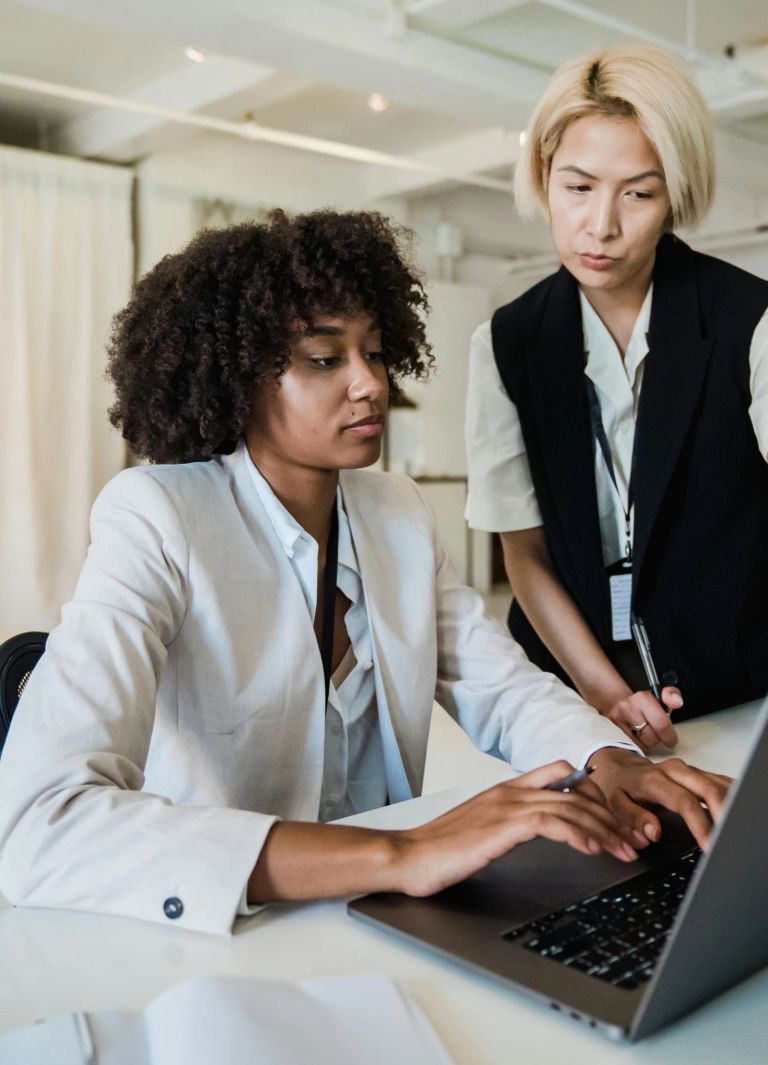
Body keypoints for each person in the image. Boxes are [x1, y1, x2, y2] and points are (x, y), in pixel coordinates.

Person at [0, 210, 729, 935]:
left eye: (376, 353)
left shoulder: (398, 512)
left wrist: (608, 757)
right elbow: (41, 824)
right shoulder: (157, 516)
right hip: (233, 932)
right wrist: (401, 850)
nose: (370, 384)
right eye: (326, 358)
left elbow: (499, 685)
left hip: (382, 921)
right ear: (236, 375)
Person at [465, 46, 768, 753]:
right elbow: (523, 554)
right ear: (543, 177)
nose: (601, 225)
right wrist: (605, 695)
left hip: (731, 691)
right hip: (570, 701)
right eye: (578, 187)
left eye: (638, 193)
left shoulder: (755, 316)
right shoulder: (504, 343)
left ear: (674, 196)